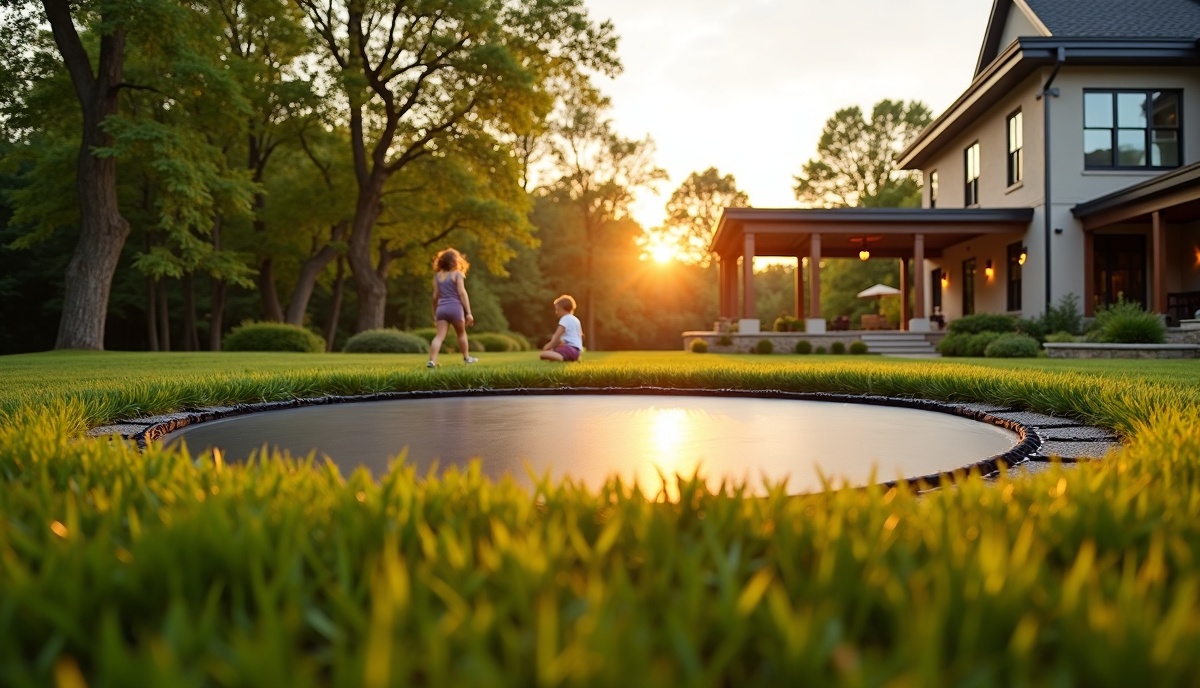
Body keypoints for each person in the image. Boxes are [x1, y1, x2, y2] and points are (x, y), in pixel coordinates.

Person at [426, 248, 478, 367]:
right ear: (455, 261)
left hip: (441, 309)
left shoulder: (437, 276)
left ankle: (432, 361)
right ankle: (467, 358)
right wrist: (468, 312)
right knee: (461, 334)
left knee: (439, 336)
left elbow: (435, 297)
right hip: (455, 308)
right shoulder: (457, 274)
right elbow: (462, 292)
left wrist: (435, 312)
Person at [540, 294, 583, 362]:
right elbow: (579, 337)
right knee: (553, 351)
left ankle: (562, 358)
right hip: (577, 352)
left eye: (557, 309)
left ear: (562, 308)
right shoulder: (576, 320)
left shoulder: (564, 319)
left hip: (568, 349)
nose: (556, 312)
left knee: (543, 354)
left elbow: (556, 338)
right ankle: (571, 358)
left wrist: (547, 346)